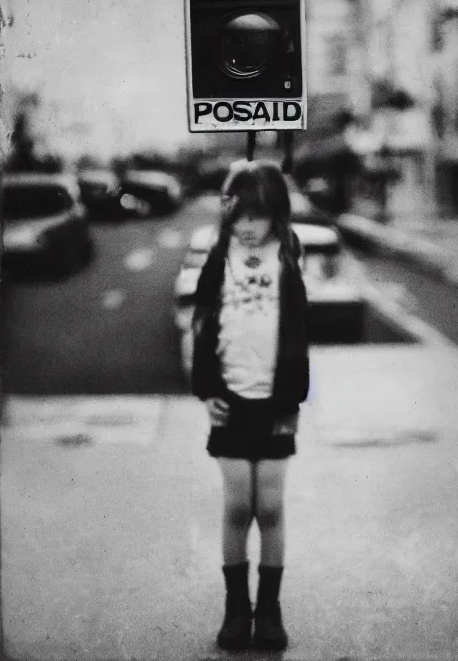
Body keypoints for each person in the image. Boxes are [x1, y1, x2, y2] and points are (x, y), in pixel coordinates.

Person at [191, 159, 309, 652]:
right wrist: (206, 389)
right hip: (232, 402)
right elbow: (201, 326)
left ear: (275, 214)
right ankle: (237, 608)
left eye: (257, 215)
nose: (247, 226)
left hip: (274, 403)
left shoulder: (287, 259)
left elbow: (298, 336)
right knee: (238, 505)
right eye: (238, 215)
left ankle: (270, 608)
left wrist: (293, 402)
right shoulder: (219, 259)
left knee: (271, 506)